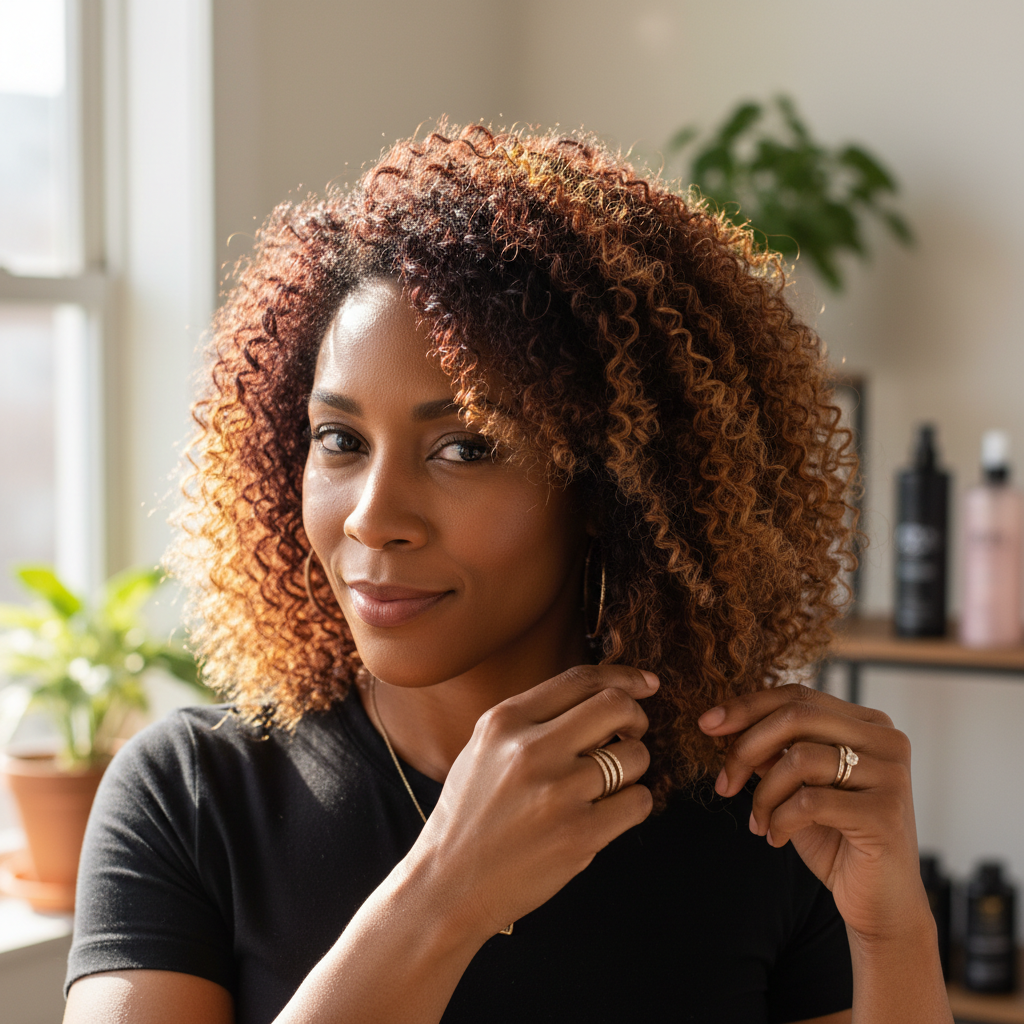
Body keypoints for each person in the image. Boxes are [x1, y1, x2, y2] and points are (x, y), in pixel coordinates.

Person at [63, 124, 952, 1024]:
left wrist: (894, 932)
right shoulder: (190, 798)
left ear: (613, 490)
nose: (373, 514)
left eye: (464, 447)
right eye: (340, 440)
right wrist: (444, 896)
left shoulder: (759, 820)